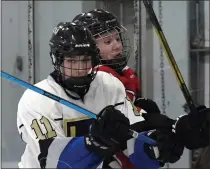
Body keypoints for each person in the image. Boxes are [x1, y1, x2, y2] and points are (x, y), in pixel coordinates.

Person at [16, 22, 184, 169]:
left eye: (85, 60)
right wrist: (94, 141)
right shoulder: (36, 99)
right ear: (57, 60)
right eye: (72, 61)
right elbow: (53, 162)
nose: (80, 68)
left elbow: (133, 138)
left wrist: (158, 144)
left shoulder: (109, 85)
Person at [72, 9, 160, 114]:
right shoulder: (95, 79)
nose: (117, 46)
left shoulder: (127, 74)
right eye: (108, 42)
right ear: (89, 50)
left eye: (118, 39)